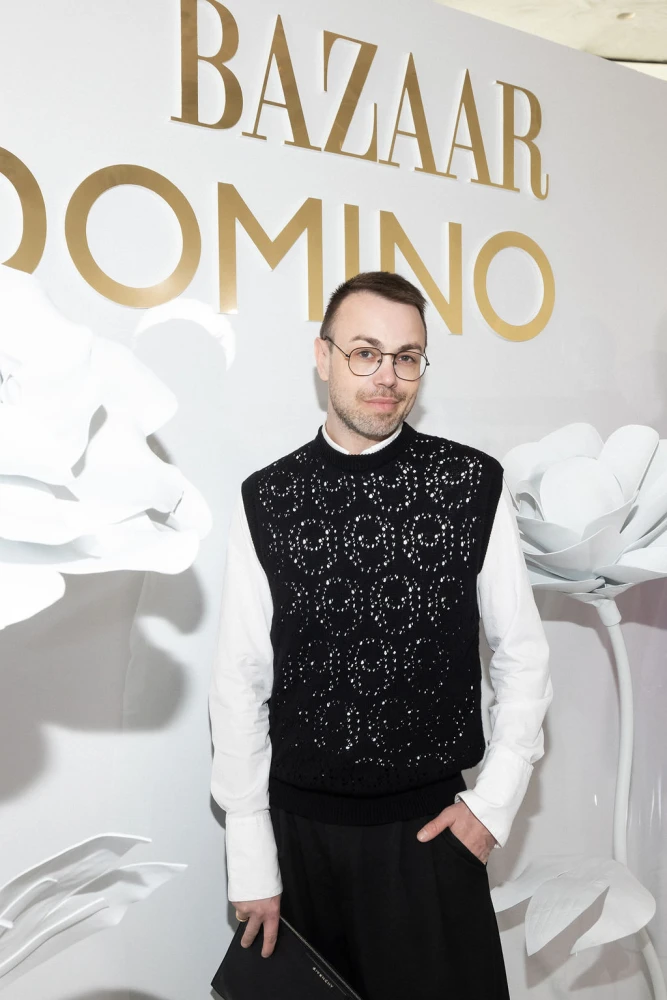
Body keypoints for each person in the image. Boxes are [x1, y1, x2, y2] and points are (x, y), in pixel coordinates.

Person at [209, 271, 553, 1000]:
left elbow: (523, 655)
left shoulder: (470, 484)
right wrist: (250, 851)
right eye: (365, 352)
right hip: (298, 842)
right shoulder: (266, 498)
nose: (387, 376)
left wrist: (492, 806)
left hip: (430, 839)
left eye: (407, 356)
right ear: (323, 356)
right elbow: (240, 680)